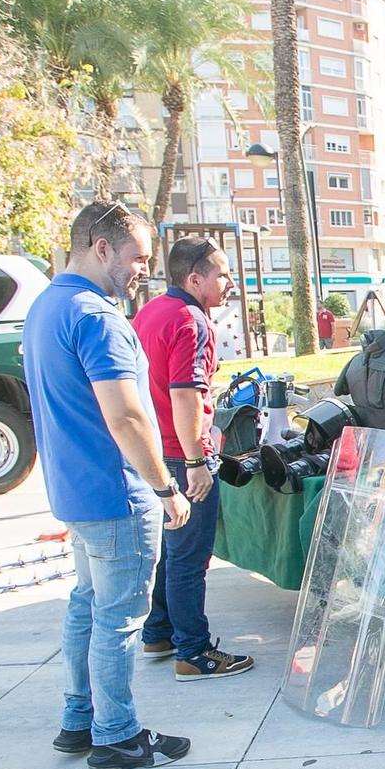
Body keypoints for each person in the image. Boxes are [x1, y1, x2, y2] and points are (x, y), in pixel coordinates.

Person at [23, 201, 193, 769]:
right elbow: (127, 417)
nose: (143, 269)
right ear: (101, 248)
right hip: (115, 492)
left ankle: (80, 718)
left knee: (87, 604)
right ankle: (117, 736)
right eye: (137, 257)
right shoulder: (96, 316)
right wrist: (166, 487)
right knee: (119, 617)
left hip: (75, 489)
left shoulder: (46, 305)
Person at [134, 237, 255, 681]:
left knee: (173, 547)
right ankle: (193, 651)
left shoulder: (149, 312)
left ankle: (159, 631)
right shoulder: (191, 320)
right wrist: (196, 461)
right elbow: (185, 394)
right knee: (190, 557)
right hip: (180, 450)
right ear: (194, 278)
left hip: (155, 447)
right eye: (221, 274)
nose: (229, 282)